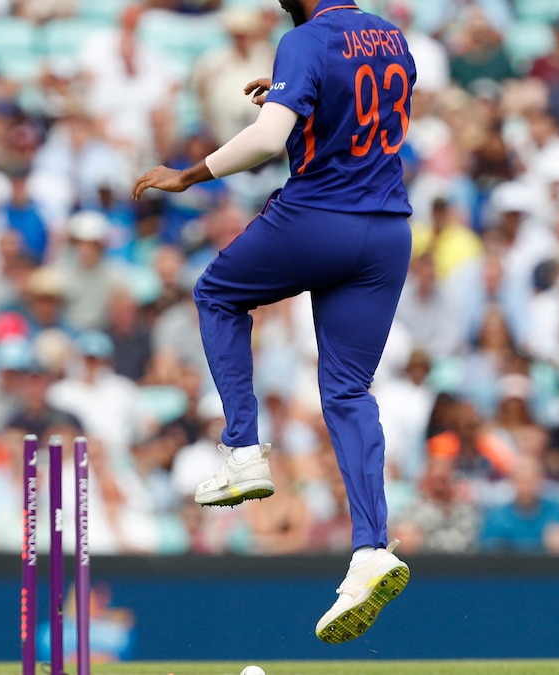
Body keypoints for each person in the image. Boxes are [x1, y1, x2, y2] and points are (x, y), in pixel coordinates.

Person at [132, 0, 417, 645]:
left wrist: (188, 175)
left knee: (215, 294)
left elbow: (266, 140)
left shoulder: (305, 39)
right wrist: (297, 101)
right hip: (387, 232)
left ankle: (242, 451)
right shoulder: (393, 37)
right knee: (348, 393)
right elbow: (362, 115)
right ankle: (371, 549)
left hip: (321, 217)